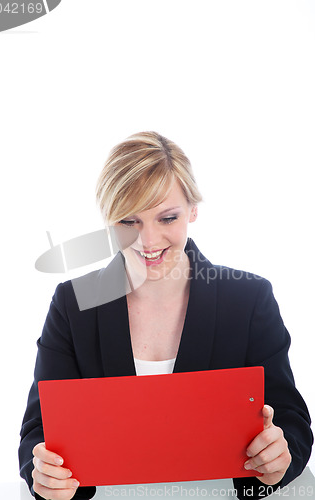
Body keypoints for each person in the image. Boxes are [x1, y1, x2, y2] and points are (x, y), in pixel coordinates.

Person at [19, 131, 313, 500]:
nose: (148, 241)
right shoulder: (73, 303)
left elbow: (290, 418)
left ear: (192, 209)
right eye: (129, 222)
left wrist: (280, 457)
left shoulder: (249, 298)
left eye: (167, 218)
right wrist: (42, 475)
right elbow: (39, 427)